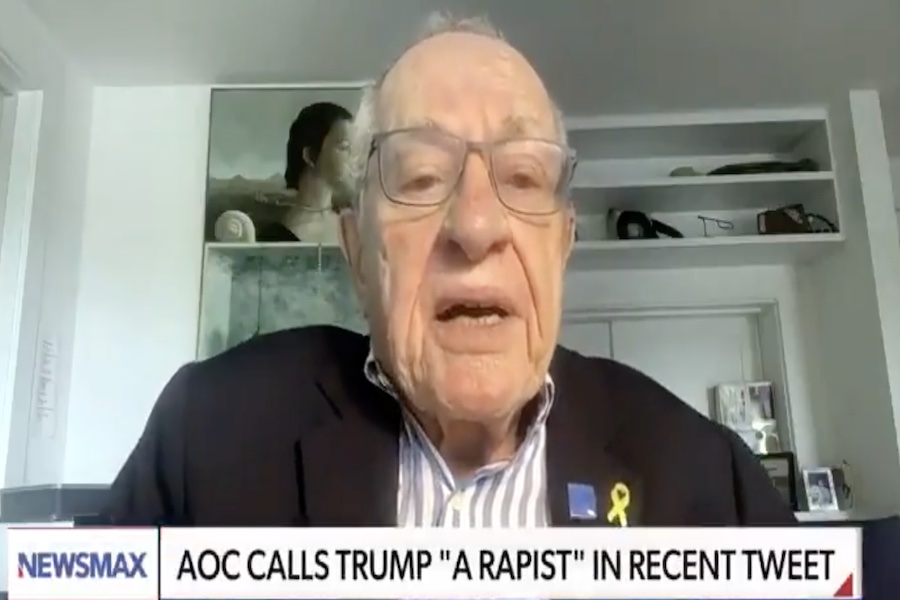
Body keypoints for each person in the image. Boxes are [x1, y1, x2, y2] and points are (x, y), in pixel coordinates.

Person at [102, 13, 796, 527]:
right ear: (356, 250)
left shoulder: (711, 480)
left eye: (522, 177)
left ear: (563, 243)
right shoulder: (205, 439)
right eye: (422, 177)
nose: (476, 226)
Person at [255, 101, 353, 243]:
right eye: (344, 147)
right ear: (310, 155)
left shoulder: (352, 225)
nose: (354, 156)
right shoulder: (280, 236)